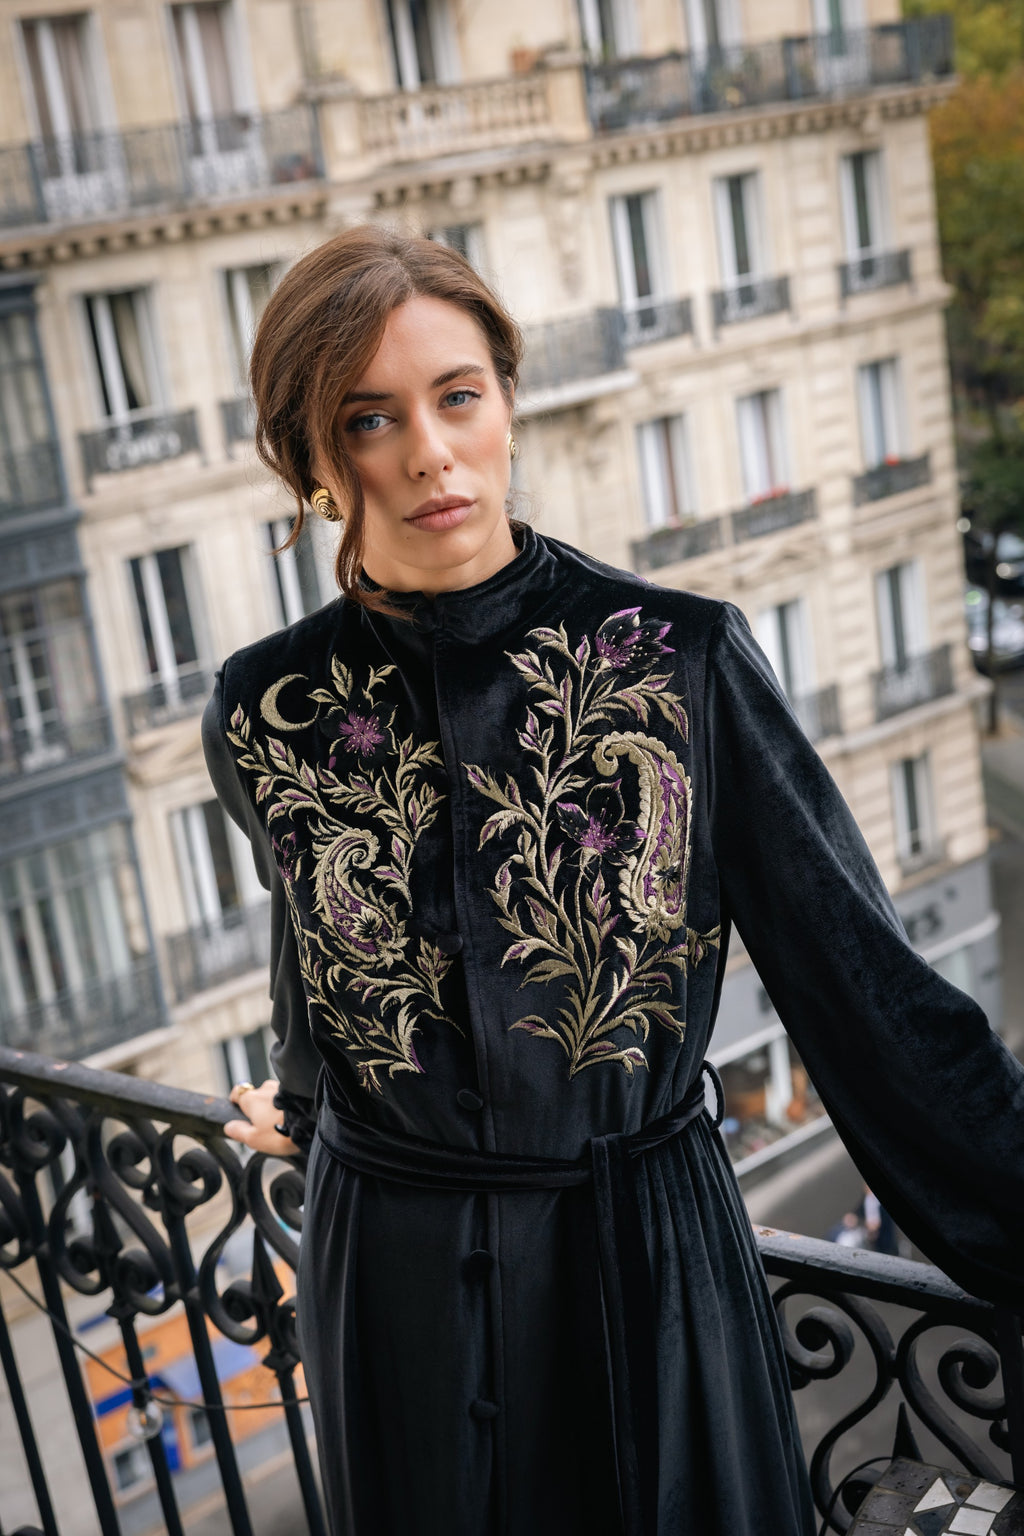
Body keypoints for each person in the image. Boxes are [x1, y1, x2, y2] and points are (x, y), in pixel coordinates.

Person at [204, 226, 1024, 1536]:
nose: (430, 451)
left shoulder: (678, 661)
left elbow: (873, 999)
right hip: (392, 1285)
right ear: (308, 459)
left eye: (457, 395)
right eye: (370, 418)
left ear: (508, 401)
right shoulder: (264, 708)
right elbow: (323, 946)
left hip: (640, 1278)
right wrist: (302, 1098)